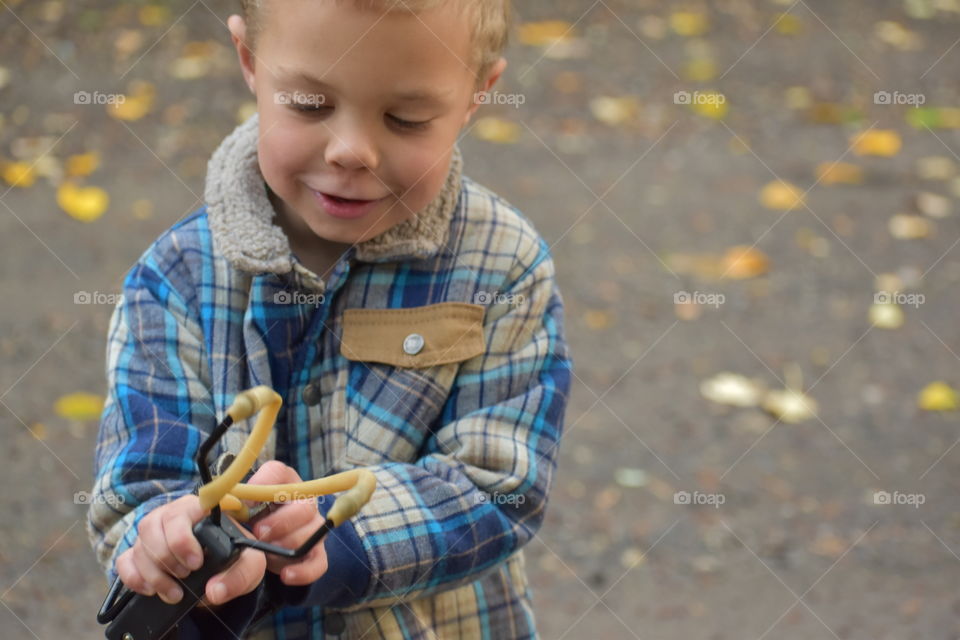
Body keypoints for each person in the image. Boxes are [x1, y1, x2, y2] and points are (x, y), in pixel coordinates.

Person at [86, 0, 573, 637]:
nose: (351, 151)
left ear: (478, 95)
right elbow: (139, 483)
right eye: (310, 106)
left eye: (407, 118)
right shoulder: (172, 276)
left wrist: (334, 532)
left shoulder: (503, 268)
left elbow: (500, 487)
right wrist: (169, 543)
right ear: (250, 62)